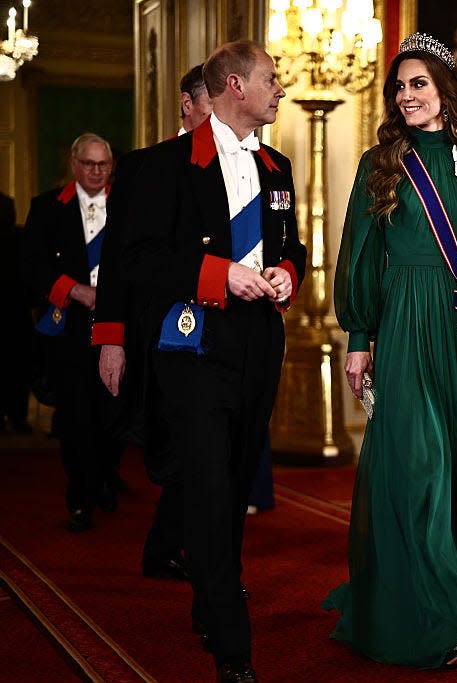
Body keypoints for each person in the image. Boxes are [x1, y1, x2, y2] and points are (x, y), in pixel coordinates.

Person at [323, 32, 457, 668]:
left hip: (453, 326)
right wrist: (359, 337)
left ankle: (449, 596)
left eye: (418, 83)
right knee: (415, 460)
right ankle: (432, 615)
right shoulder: (379, 162)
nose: (406, 95)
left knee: (448, 457)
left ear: (446, 90)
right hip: (397, 322)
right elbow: (360, 252)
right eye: (399, 86)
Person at [119, 41, 305, 683]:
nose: (280, 91)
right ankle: (234, 650)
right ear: (234, 85)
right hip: (194, 346)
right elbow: (138, 262)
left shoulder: (278, 166)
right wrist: (219, 276)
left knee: (231, 481)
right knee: (206, 485)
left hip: (259, 345)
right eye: (272, 81)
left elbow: (294, 249)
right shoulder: (163, 167)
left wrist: (284, 274)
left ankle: (208, 598)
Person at [92, 63, 214, 583]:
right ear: (188, 103)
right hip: (155, 331)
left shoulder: (253, 166)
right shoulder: (144, 167)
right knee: (173, 451)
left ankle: (198, 559)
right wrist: (111, 340)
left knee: (207, 452)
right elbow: (118, 264)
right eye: (211, 102)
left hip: (220, 332)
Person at [21, 133, 124, 532]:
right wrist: (76, 291)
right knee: (77, 415)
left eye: (104, 164)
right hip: (72, 327)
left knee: (113, 412)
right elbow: (30, 267)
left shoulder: (128, 205)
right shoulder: (48, 208)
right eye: (89, 164)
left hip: (117, 326)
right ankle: (80, 497)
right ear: (74, 164)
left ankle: (105, 478)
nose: (97, 172)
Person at [0, 190, 33, 434]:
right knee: (18, 368)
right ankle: (17, 415)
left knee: (18, 367)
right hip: (18, 313)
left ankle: (14, 415)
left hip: (17, 312)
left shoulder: (22, 238)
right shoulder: (21, 237)